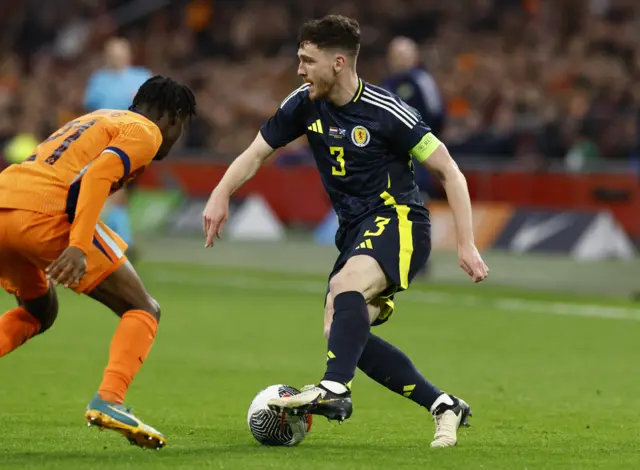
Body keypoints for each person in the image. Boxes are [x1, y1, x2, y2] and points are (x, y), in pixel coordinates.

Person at [202, 15, 488, 448]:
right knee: (340, 328)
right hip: (355, 232)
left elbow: (449, 171)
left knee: (346, 285)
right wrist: (221, 192)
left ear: (338, 63)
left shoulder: (386, 110)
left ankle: (335, 389)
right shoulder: (303, 103)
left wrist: (465, 244)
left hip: (400, 220)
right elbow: (256, 152)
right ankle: (443, 404)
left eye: (307, 60)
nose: (299, 69)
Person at [0, 76, 196, 450]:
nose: (176, 136)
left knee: (39, 310)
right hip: (43, 213)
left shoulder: (98, 118)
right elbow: (96, 176)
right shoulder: (146, 131)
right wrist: (77, 244)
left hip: (4, 204)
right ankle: (110, 400)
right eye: (181, 126)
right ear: (173, 117)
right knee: (143, 308)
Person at [84, 38, 153, 261]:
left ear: (128, 55)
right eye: (112, 53)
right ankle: (121, 242)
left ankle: (110, 240)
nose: (116, 57)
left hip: (132, 140)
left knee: (113, 191)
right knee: (113, 191)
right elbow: (90, 108)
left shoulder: (141, 76)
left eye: (120, 52)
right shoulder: (99, 80)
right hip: (103, 140)